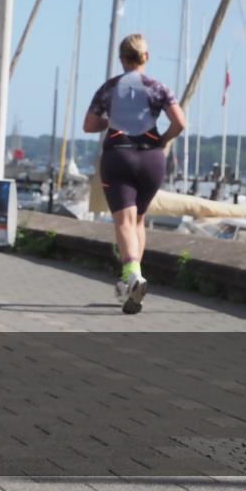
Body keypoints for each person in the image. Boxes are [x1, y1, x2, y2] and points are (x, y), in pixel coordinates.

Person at [84, 34, 186, 315]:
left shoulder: (109, 88)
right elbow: (180, 123)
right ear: (146, 57)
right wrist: (162, 140)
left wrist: (110, 121)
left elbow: (89, 125)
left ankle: (132, 275)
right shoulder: (158, 88)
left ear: (121, 58)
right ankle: (130, 284)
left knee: (124, 222)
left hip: (119, 156)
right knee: (138, 220)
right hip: (152, 159)